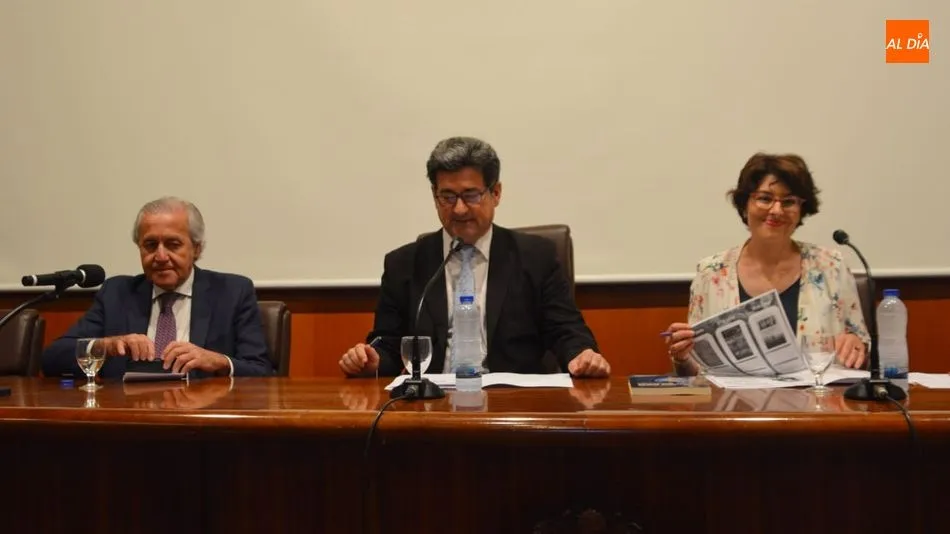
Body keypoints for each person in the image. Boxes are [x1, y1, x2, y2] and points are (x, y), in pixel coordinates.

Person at [339, 136, 610, 378]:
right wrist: (371, 360)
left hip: (513, 407)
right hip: (431, 407)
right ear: (435, 197)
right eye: (447, 196)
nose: (458, 209)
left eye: (470, 195)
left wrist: (581, 354)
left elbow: (566, 330)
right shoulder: (403, 264)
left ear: (496, 193)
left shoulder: (535, 257)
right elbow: (388, 343)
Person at [665, 152, 870, 375]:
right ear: (745, 205)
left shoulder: (831, 266)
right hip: (734, 405)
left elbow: (861, 349)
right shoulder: (711, 272)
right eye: (765, 198)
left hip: (817, 404)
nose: (776, 210)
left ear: (802, 210)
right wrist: (683, 357)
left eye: (789, 201)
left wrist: (856, 346)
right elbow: (697, 371)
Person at [42, 197, 274, 379]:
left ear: (197, 249)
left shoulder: (232, 292)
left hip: (203, 424)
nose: (160, 256)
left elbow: (261, 371)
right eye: (150, 245)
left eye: (173, 244)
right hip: (128, 420)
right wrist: (105, 346)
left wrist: (218, 361)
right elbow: (52, 358)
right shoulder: (117, 293)